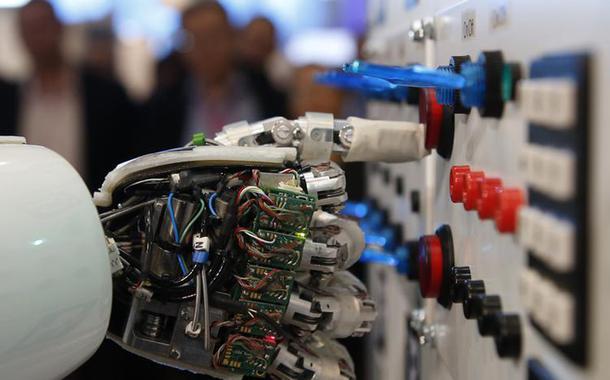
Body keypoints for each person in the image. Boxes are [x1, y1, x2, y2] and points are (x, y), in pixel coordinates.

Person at [0, 0, 136, 190]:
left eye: (42, 26)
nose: (37, 37)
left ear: (59, 28)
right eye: (28, 29)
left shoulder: (106, 95)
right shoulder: (7, 101)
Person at [142, 1, 286, 153]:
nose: (206, 49)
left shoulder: (266, 93)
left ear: (232, 37)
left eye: (214, 36)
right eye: (194, 40)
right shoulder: (164, 106)